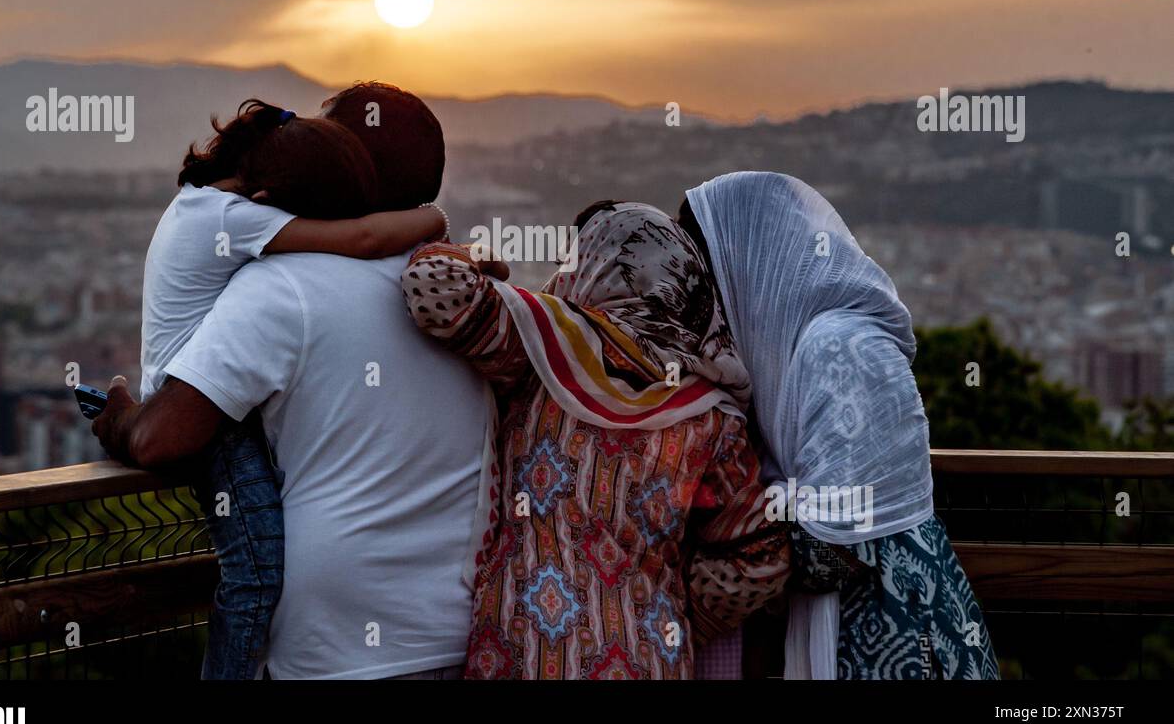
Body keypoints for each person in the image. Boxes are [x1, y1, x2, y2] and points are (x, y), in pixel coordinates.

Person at [97, 86, 492, 680]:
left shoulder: (283, 289)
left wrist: (117, 414)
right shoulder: (465, 293)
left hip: (335, 652)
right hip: (465, 636)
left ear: (339, 160)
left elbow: (160, 438)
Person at [400, 200, 791, 679]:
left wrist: (475, 254)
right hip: (652, 656)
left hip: (523, 651)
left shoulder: (544, 352)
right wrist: (673, 613)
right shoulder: (713, 414)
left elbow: (432, 286)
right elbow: (760, 556)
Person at [681, 172, 999, 679]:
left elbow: (836, 540)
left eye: (713, 272)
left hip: (894, 637)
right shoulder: (790, 356)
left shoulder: (844, 348)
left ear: (751, 260)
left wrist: (693, 587)